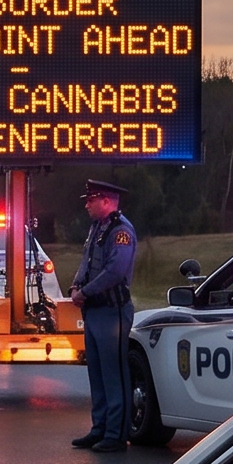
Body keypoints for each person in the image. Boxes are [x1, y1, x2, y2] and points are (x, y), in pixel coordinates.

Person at [65, 180, 136, 449]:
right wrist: (75, 286)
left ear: (106, 201)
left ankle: (116, 434)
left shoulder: (121, 232)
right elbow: (87, 262)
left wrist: (86, 292)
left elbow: (115, 271)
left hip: (111, 310)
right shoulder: (97, 228)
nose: (86, 205)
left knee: (113, 372)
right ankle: (100, 427)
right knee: (96, 371)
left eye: (91, 200)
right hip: (94, 311)